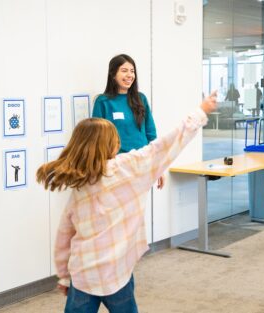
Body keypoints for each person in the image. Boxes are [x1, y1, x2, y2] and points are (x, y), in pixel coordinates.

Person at [36, 92, 217, 313]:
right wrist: (201, 111)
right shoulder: (127, 168)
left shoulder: (80, 183)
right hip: (116, 272)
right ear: (110, 144)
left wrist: (64, 277)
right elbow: (165, 144)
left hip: (84, 273)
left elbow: (64, 235)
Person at [92, 54, 164, 189]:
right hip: (117, 167)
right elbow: (97, 139)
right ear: (113, 74)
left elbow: (151, 134)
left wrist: (158, 165)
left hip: (142, 163)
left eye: (132, 71)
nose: (129, 75)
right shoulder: (103, 102)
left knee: (137, 208)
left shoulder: (141, 99)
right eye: (124, 71)